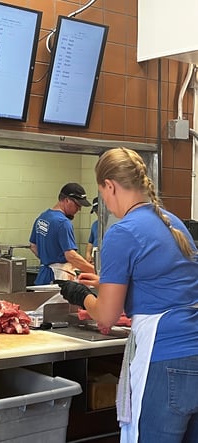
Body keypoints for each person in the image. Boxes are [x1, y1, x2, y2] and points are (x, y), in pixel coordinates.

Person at [56, 147, 198, 443]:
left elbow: (107, 316)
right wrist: (104, 283)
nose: (105, 202)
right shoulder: (173, 223)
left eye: (102, 193)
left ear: (110, 186)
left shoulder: (123, 231)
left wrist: (81, 295)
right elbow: (165, 283)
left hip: (165, 357)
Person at [29, 182, 95, 285]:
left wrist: (48, 259)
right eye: (77, 205)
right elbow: (70, 255)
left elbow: (33, 246)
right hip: (58, 280)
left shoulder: (42, 218)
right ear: (67, 200)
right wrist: (95, 271)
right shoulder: (63, 223)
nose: (79, 209)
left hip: (43, 277)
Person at [85, 196, 98, 264]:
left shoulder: (112, 225)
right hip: (94, 260)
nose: (97, 213)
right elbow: (90, 242)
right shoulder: (95, 225)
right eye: (96, 211)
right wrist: (88, 255)